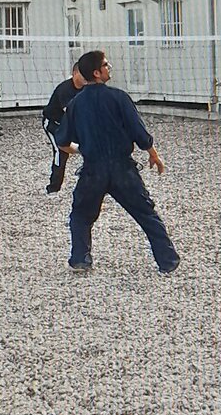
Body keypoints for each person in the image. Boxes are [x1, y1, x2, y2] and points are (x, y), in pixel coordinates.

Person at [54, 50, 180, 275]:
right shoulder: (119, 97)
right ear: (96, 72)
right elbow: (139, 132)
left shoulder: (75, 104)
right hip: (122, 168)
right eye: (106, 64)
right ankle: (168, 261)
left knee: (81, 215)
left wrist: (79, 151)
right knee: (146, 214)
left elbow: (62, 141)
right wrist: (153, 153)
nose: (109, 67)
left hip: (93, 170)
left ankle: (81, 259)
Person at [42, 63, 85, 194]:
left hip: (71, 124)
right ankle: (53, 188)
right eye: (83, 74)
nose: (85, 77)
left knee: (93, 144)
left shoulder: (87, 88)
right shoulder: (65, 89)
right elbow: (73, 114)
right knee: (61, 152)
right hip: (53, 124)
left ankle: (91, 174)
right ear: (75, 73)